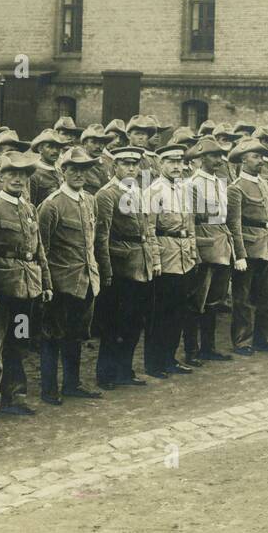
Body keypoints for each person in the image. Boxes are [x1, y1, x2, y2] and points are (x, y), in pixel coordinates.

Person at [0, 150, 51, 423]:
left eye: (23, 175)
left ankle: (15, 396)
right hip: (2, 289)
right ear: (1, 177)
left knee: (19, 342)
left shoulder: (30, 209)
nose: (18, 179)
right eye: (13, 174)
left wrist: (45, 282)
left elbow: (38, 249)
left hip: (26, 289)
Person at [37, 147, 104, 404]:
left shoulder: (89, 200)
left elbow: (91, 241)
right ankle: (49, 389)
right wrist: (47, 283)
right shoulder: (52, 205)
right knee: (53, 336)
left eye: (83, 169)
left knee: (76, 336)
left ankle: (72, 384)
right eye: (73, 169)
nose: (78, 174)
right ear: (63, 171)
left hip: (86, 281)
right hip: (61, 282)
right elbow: (42, 247)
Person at [94, 146, 159, 389]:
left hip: (140, 264)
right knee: (113, 323)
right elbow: (102, 237)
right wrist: (107, 270)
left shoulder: (139, 192)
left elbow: (147, 230)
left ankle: (125, 370)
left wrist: (152, 260)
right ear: (114, 166)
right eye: (125, 163)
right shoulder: (107, 194)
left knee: (134, 322)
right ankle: (106, 374)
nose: (131, 168)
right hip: (119, 266)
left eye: (134, 163)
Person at [225, 138, 268, 354]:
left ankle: (266, 338)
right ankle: (243, 341)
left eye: (261, 157)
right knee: (243, 298)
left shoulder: (265, 183)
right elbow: (234, 224)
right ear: (243, 160)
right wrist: (239, 254)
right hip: (249, 247)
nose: (260, 161)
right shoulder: (236, 188)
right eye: (255, 157)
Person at [145, 145, 198, 377]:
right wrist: (155, 260)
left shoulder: (184, 189)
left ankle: (170, 358)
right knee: (161, 312)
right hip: (165, 256)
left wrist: (193, 252)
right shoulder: (154, 191)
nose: (177, 166)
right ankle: (154, 363)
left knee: (178, 311)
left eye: (180, 161)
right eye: (171, 161)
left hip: (184, 255)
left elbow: (191, 225)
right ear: (160, 163)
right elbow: (149, 230)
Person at [183, 138, 235, 362]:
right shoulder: (193, 184)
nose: (219, 160)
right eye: (214, 156)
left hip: (221, 243)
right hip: (204, 244)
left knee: (215, 300)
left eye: (220, 156)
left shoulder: (219, 182)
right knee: (197, 301)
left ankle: (208, 347)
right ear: (201, 158)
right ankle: (191, 351)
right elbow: (193, 219)